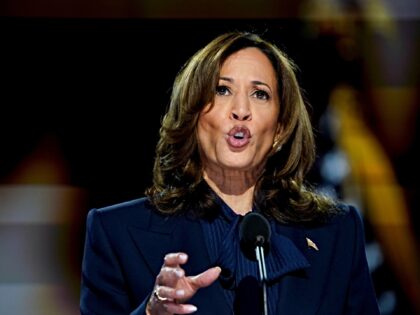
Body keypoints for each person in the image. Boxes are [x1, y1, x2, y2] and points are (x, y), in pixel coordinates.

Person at [80, 32, 380, 315]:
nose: (241, 110)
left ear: (279, 128)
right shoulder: (115, 232)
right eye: (222, 90)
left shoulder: (337, 232)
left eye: (260, 94)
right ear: (193, 115)